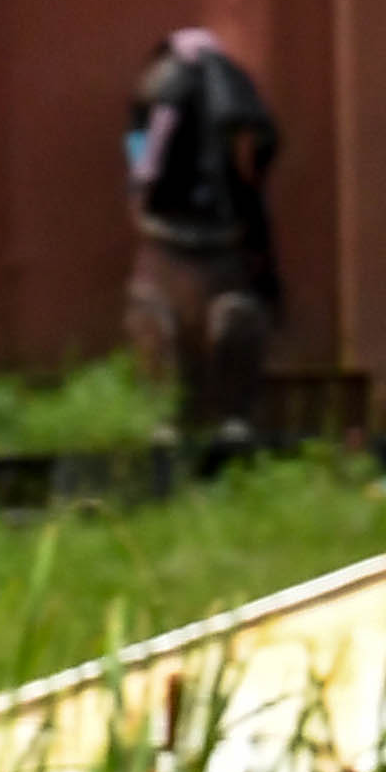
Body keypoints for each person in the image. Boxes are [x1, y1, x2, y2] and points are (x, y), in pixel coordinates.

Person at [122, 29, 283, 459]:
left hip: (167, 232)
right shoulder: (231, 78)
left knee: (156, 319)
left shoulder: (163, 80)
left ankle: (167, 419)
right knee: (234, 316)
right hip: (222, 236)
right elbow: (264, 140)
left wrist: (139, 189)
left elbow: (146, 147)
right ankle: (234, 419)